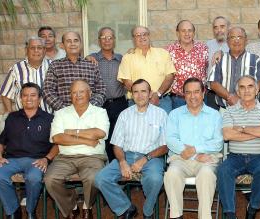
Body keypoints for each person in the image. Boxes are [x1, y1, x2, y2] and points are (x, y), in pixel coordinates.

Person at [95, 79, 168, 219]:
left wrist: (144, 160)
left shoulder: (161, 114)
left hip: (151, 157)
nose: (140, 95)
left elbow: (165, 146)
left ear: (150, 94)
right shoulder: (124, 115)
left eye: (143, 91)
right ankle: (126, 207)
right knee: (100, 178)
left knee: (155, 179)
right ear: (131, 94)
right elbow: (116, 144)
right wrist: (122, 162)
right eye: (136, 92)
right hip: (126, 156)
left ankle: (148, 211)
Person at [0, 83, 57, 219]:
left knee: (33, 178)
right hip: (12, 160)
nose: (29, 99)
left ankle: (30, 210)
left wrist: (46, 159)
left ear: (39, 99)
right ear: (21, 98)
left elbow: (57, 144)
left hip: (36, 161)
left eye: (33, 95)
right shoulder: (12, 117)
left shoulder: (49, 119)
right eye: (25, 95)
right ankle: (14, 211)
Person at [44, 80, 109, 219]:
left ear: (89, 93)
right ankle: (71, 205)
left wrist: (72, 131)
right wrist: (87, 139)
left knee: (93, 178)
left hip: (93, 157)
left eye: (81, 91)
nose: (78, 95)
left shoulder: (100, 112)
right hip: (65, 158)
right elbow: (57, 138)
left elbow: (100, 133)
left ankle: (87, 206)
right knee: (50, 179)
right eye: (74, 92)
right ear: (70, 95)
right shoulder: (61, 113)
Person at [164, 78, 223, 219]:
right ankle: (176, 216)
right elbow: (171, 141)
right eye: (188, 93)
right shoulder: (174, 115)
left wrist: (196, 148)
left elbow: (218, 143)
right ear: (183, 95)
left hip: (207, 159)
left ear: (203, 93)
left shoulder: (215, 115)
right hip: (180, 159)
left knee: (206, 175)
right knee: (171, 174)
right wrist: (195, 155)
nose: (192, 96)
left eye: (196, 92)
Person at [217, 76, 260, 219]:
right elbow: (227, 135)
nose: (246, 90)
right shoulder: (230, 111)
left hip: (259, 158)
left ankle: (253, 208)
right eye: (242, 87)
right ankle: (230, 214)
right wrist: (258, 131)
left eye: (250, 86)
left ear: (256, 90)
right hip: (235, 157)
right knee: (223, 170)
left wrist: (242, 129)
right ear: (238, 92)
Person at [87, 27, 128, 162]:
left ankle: (118, 166)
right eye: (103, 37)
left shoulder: (122, 59)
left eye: (110, 37)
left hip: (119, 103)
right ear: (99, 40)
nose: (107, 40)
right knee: (102, 135)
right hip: (100, 104)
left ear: (114, 40)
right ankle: (104, 166)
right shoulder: (92, 59)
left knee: (118, 136)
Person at [117, 26, 175, 113]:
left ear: (149, 36)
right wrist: (144, 97)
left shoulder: (163, 53)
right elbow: (127, 82)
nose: (142, 37)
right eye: (138, 35)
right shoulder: (127, 57)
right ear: (133, 39)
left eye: (144, 34)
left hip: (162, 102)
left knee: (163, 127)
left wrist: (157, 94)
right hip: (137, 103)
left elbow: (170, 76)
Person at [43, 31, 106, 111]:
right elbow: (47, 91)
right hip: (64, 116)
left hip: (90, 115)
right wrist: (65, 110)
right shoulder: (55, 66)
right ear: (62, 45)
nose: (73, 43)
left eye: (76, 40)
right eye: (68, 41)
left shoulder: (92, 65)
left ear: (81, 44)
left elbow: (101, 90)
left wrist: (89, 108)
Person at [208, 27, 260, 109]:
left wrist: (241, 97)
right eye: (232, 37)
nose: (236, 40)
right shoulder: (220, 59)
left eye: (240, 37)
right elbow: (213, 83)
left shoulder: (255, 59)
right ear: (227, 42)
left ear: (246, 40)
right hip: (225, 110)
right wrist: (230, 97)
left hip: (250, 109)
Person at [0, 37, 52, 113]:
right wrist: (10, 114)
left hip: (50, 119)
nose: (36, 50)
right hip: (23, 120)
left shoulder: (53, 66)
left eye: (39, 48)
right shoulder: (16, 69)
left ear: (44, 50)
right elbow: (5, 93)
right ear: (26, 50)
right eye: (32, 48)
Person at [166, 20, 209, 109]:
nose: (187, 33)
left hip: (200, 98)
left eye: (190, 30)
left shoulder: (203, 48)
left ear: (194, 33)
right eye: (183, 31)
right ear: (177, 33)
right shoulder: (169, 51)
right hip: (178, 99)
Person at [206, 16, 230, 110]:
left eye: (222, 26)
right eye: (215, 27)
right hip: (211, 94)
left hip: (229, 93)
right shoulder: (208, 45)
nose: (219, 30)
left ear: (228, 28)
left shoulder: (234, 45)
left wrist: (222, 54)